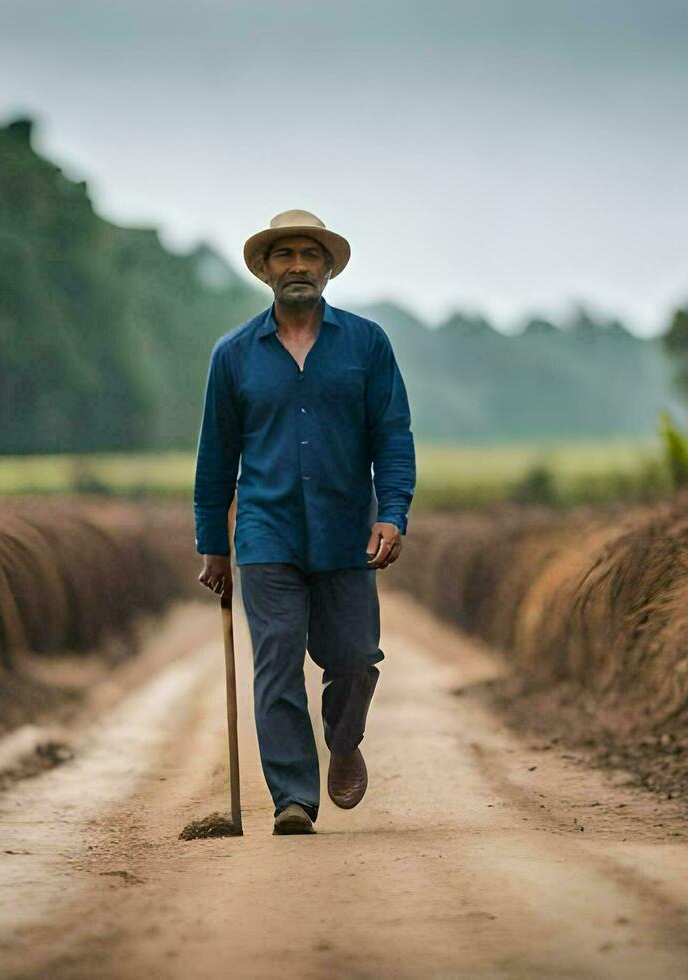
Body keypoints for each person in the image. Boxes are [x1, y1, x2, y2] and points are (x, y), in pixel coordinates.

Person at [193, 209, 416, 835]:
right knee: (277, 661)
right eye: (284, 254)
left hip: (349, 532)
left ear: (326, 269)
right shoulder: (233, 355)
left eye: (308, 255)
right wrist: (214, 543)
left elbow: (392, 437)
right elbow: (216, 458)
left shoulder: (366, 344)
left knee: (352, 660)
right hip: (266, 533)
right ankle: (294, 797)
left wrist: (392, 514)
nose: (297, 265)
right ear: (266, 270)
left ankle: (343, 743)